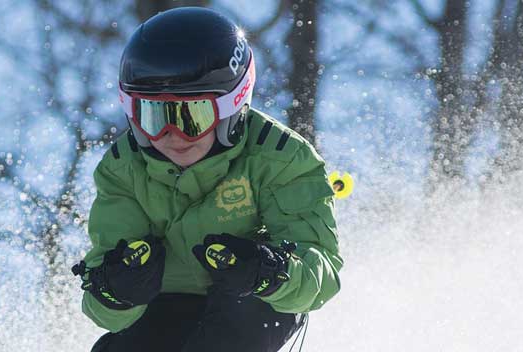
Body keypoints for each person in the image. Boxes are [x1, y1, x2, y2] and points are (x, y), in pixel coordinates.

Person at [71, 7, 343, 352]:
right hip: (167, 301)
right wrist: (118, 290)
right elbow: (104, 311)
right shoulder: (124, 169)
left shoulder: (281, 158)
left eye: (192, 115)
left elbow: (322, 273)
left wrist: (269, 272)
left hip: (253, 304)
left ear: (233, 105)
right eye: (152, 115)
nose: (172, 135)